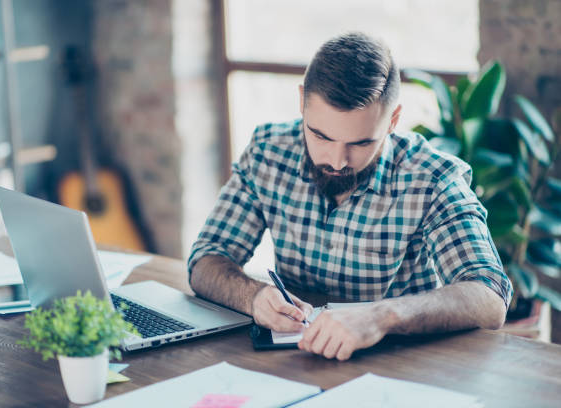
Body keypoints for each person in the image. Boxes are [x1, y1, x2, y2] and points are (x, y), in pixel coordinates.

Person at [188, 32, 512, 361]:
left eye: (360, 143)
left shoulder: (432, 178)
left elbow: (489, 294)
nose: (337, 161)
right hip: (294, 364)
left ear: (393, 120)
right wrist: (253, 297)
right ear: (302, 101)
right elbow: (206, 259)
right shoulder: (268, 152)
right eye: (320, 135)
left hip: (399, 369)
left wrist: (381, 316)